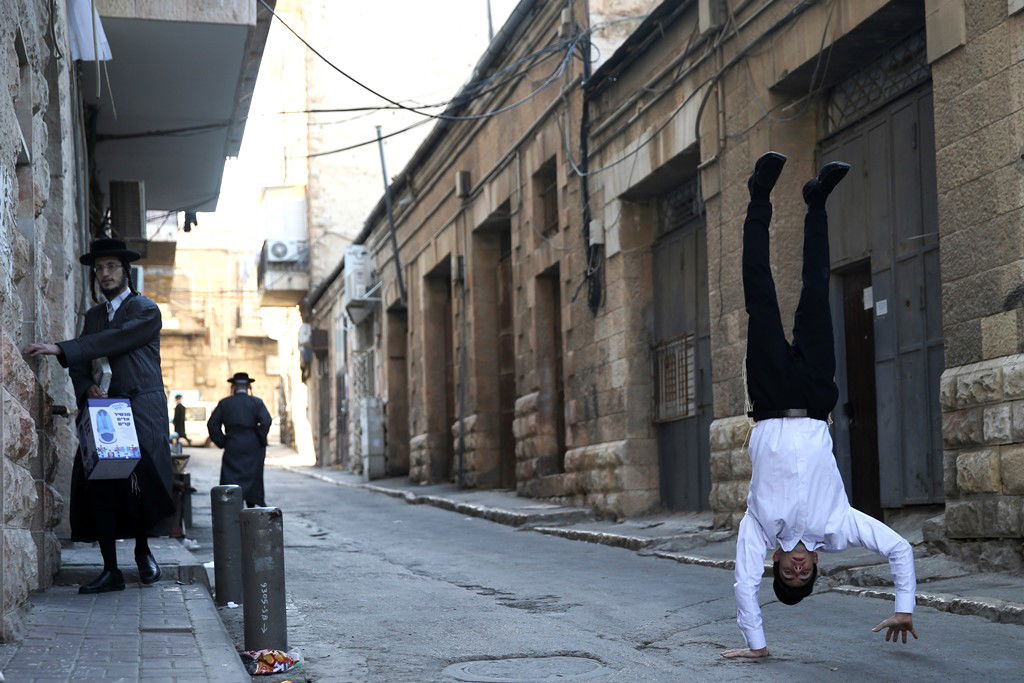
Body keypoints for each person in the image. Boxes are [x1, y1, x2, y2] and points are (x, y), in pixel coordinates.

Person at [721, 153, 918, 659]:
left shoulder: (758, 528)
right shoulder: (840, 524)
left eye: (787, 574)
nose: (797, 571)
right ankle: (817, 202)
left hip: (767, 399)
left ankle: (760, 196)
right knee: (815, 291)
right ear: (815, 572)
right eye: (802, 578)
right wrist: (904, 606)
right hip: (812, 396)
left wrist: (756, 645)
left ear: (779, 565)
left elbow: (743, 585)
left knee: (759, 296)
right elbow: (899, 547)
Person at [25, 238, 174, 594]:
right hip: (104, 413)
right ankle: (110, 569)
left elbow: (115, 340)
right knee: (100, 484)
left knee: (141, 485)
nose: (105, 274)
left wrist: (62, 348)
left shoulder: (145, 310)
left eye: (111, 267)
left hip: (140, 410)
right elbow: (82, 364)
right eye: (100, 269)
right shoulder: (93, 316)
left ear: (126, 272)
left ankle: (143, 553)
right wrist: (85, 386)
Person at [207, 372, 272, 507]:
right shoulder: (256, 402)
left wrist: (222, 441)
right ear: (248, 386)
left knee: (231, 477)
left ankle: (231, 506)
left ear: (233, 387)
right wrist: (260, 438)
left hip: (232, 444)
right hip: (253, 445)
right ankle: (251, 506)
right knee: (253, 476)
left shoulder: (225, 403)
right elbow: (266, 421)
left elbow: (212, 424)